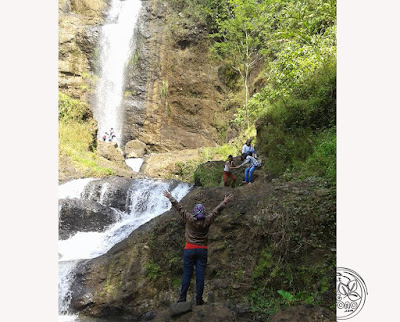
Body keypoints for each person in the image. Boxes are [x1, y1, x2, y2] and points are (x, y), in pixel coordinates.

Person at [162, 190, 234, 305]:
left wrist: (170, 197)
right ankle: (199, 299)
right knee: (200, 275)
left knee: (187, 274)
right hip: (202, 250)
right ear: (204, 213)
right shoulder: (208, 220)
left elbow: (179, 208)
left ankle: (182, 298)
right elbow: (217, 211)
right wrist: (224, 202)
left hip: (189, 249)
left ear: (195, 212)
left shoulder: (189, 219)